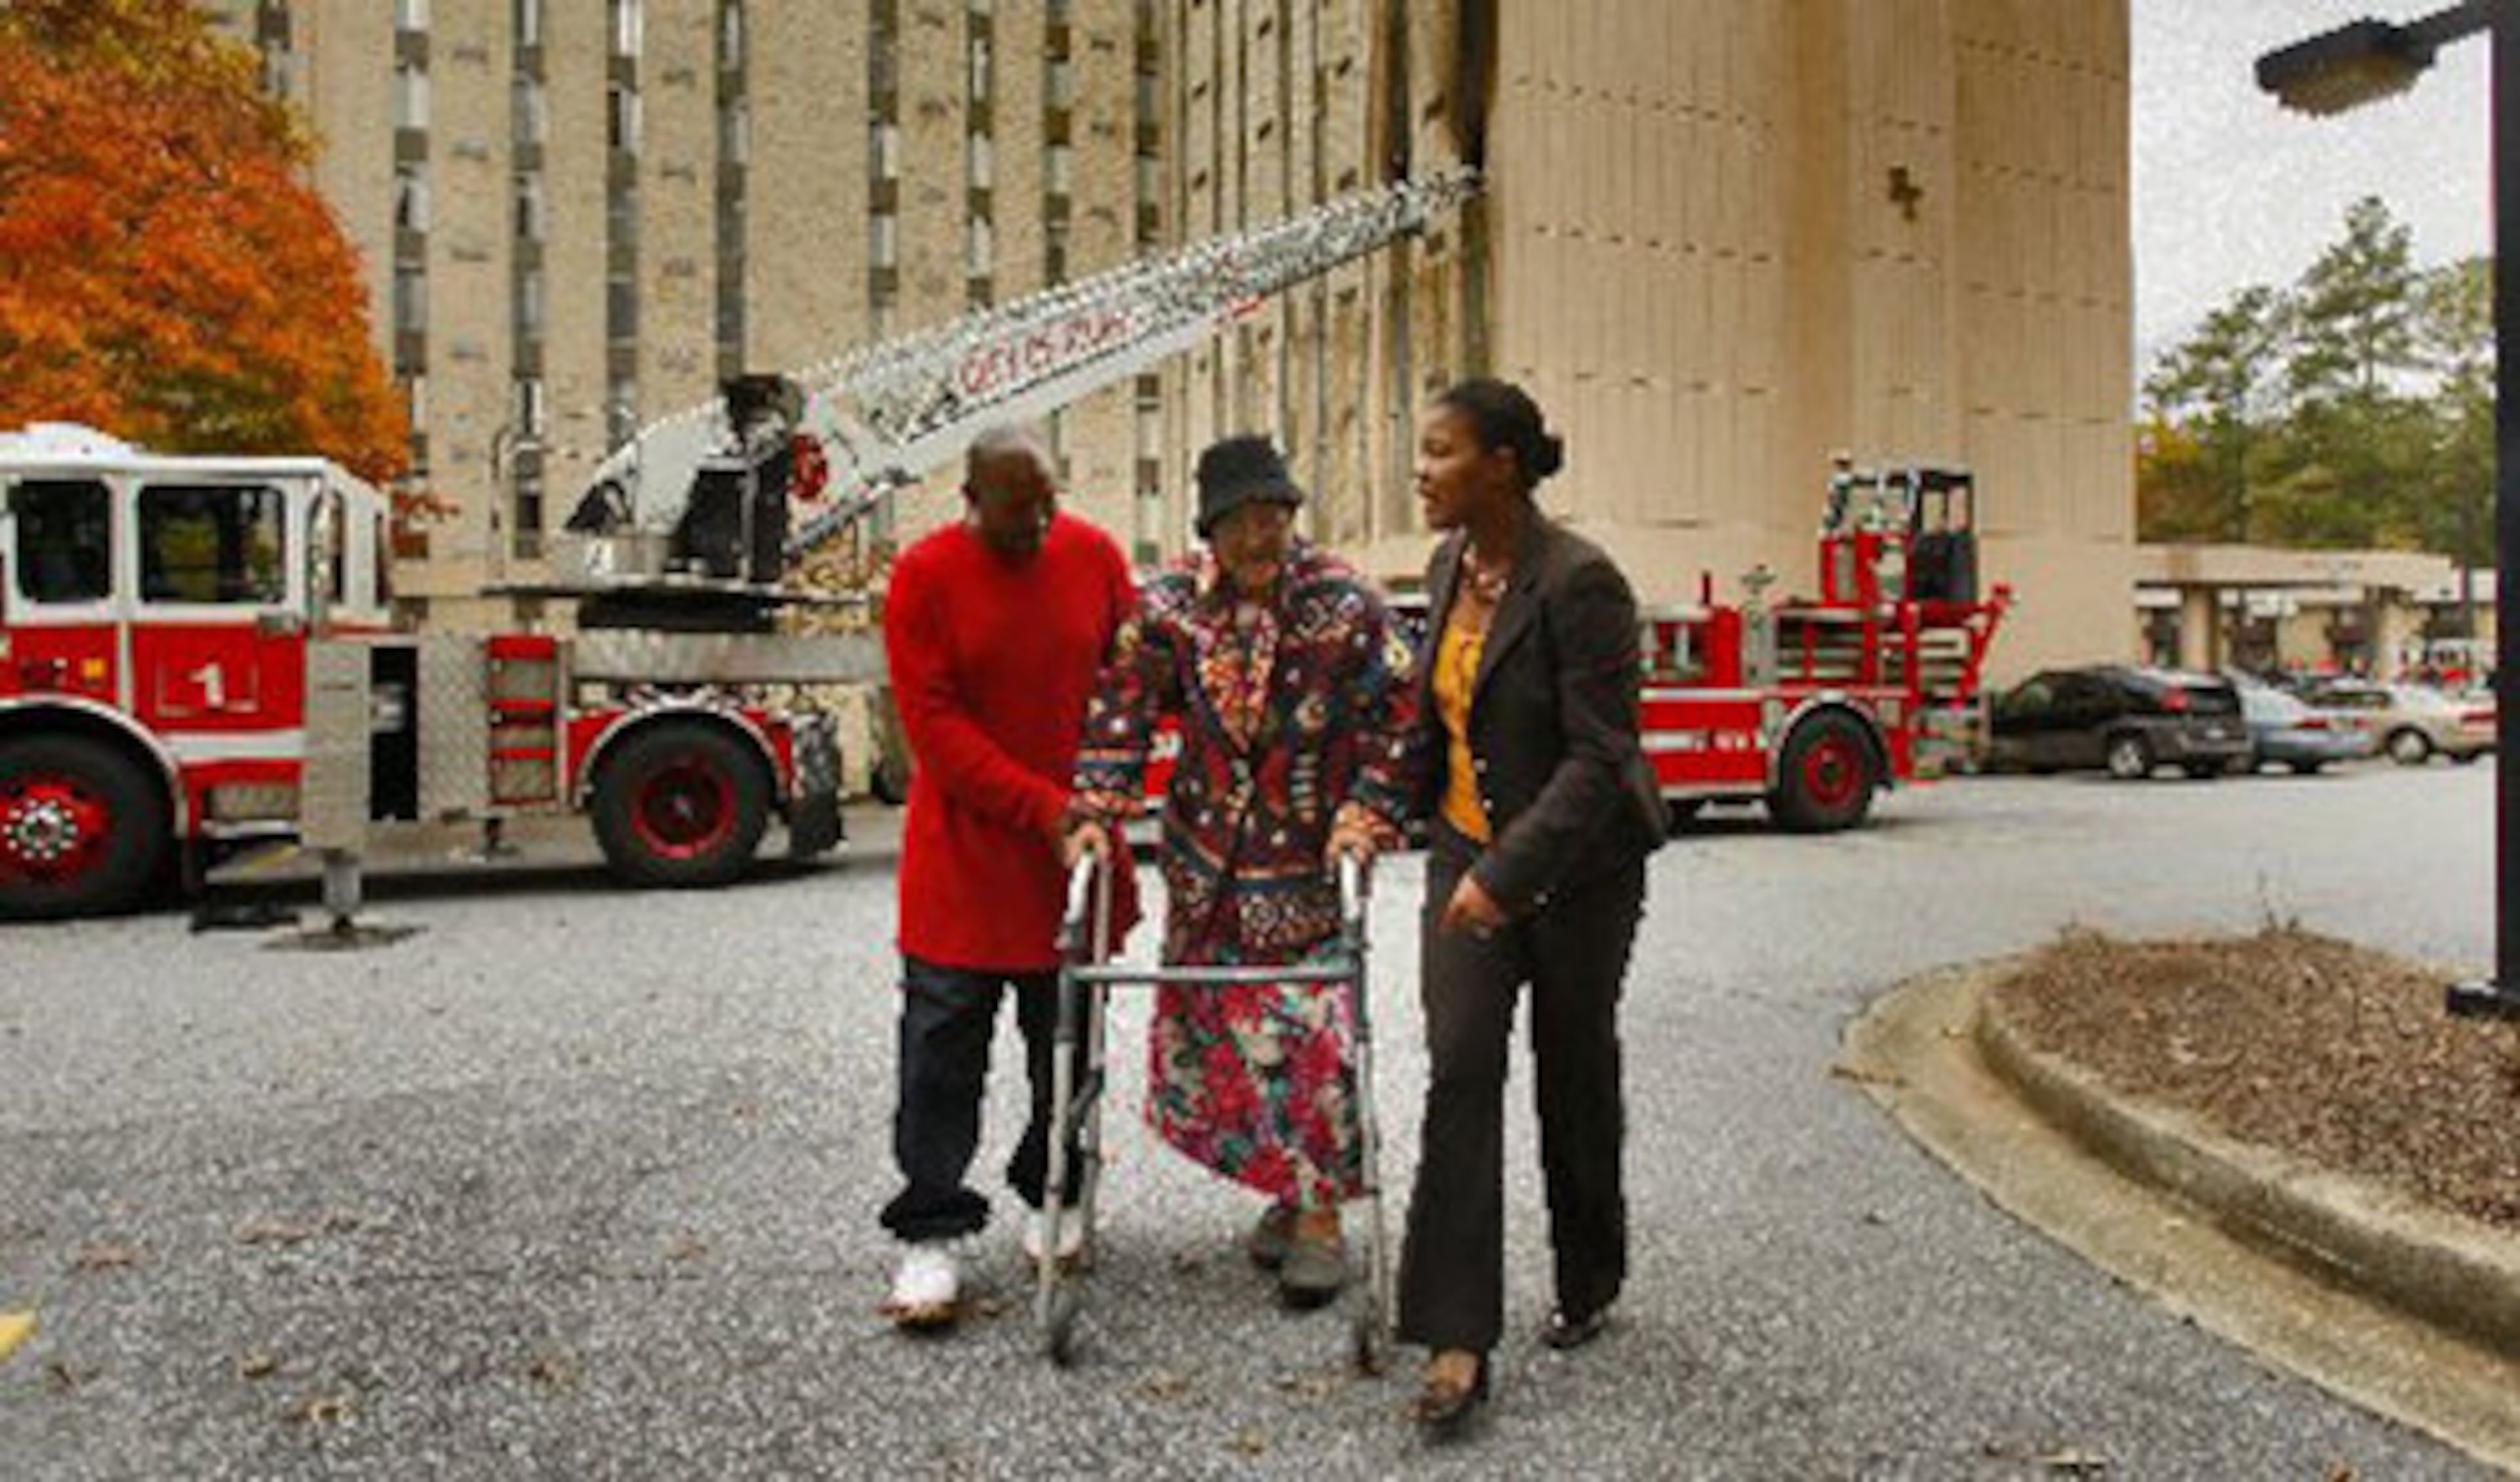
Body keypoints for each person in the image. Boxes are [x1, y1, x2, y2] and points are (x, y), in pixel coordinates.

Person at [1065, 434, 1418, 1309]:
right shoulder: (1170, 607)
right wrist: (1096, 814)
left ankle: (1322, 1216)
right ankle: (1291, 1186)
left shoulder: (1343, 601)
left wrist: (1366, 809)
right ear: (1212, 529)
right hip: (1205, 869)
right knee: (1223, 1040)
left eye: (1277, 516)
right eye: (1245, 520)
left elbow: (1398, 713)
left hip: (1303, 861)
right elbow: (1122, 714)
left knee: (1306, 1035)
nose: (1264, 536)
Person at [1395, 379, 1666, 1433]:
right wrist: (1382, 812)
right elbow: (1439, 726)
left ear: (1501, 463)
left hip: (1580, 872)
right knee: (1462, 1067)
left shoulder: (1581, 582)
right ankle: (1457, 1336)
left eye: (1440, 450)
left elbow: (1604, 756)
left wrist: (1506, 875)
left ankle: (1588, 1274)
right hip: (1468, 850)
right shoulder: (1447, 563)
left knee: (1573, 1064)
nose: (1421, 470)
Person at [877, 425, 1137, 1330]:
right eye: (1018, 511)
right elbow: (937, 732)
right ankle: (931, 1225)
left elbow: (1131, 685)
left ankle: (1054, 1188)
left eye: (1048, 503)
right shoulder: (923, 577)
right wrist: (1049, 809)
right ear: (971, 500)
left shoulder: (1095, 557)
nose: (1038, 526)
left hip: (1073, 859)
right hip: (963, 866)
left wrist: (1100, 803)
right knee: (941, 1052)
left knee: (1065, 1046)